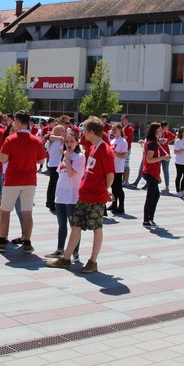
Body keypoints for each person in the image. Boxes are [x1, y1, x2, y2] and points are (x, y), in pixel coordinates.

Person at [46, 117, 113, 273]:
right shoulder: (92, 147)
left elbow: (110, 174)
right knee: (75, 226)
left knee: (97, 228)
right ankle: (66, 258)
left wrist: (106, 189)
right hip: (83, 194)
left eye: (84, 131)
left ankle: (92, 261)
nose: (83, 134)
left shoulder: (105, 149)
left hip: (96, 196)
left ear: (91, 132)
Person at [0, 110, 46, 254]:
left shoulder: (11, 139)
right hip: (30, 180)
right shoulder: (36, 140)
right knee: (27, 212)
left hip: (12, 180)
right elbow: (42, 160)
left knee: (5, 211)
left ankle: (1, 241)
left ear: (18, 122)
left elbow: (1, 160)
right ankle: (27, 242)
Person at [45, 129, 85, 261]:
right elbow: (60, 173)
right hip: (60, 195)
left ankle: (75, 252)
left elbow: (71, 173)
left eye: (72, 141)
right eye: (67, 141)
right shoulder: (64, 156)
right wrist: (66, 157)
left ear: (77, 142)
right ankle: (60, 249)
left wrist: (68, 158)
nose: (69, 143)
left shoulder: (79, 157)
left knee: (74, 226)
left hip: (72, 197)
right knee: (61, 224)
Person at [141, 122, 169, 228]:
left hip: (153, 172)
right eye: (160, 129)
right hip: (150, 172)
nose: (162, 131)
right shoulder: (152, 143)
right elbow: (149, 159)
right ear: (155, 131)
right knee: (151, 196)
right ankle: (146, 219)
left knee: (155, 196)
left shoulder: (154, 142)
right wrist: (162, 158)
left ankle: (150, 218)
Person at [44, 123, 65, 211]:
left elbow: (46, 145)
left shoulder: (51, 141)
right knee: (55, 185)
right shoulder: (59, 141)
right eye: (63, 131)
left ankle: (49, 202)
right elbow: (62, 151)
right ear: (60, 132)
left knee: (51, 184)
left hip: (51, 164)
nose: (64, 132)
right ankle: (52, 204)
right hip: (56, 165)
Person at [108, 122, 128, 214]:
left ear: (120, 130)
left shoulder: (123, 141)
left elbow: (124, 155)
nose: (113, 131)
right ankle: (114, 204)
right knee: (113, 187)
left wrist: (114, 152)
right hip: (112, 167)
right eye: (112, 129)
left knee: (118, 188)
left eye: (115, 129)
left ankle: (121, 206)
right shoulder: (112, 141)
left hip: (118, 168)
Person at [158, 121, 176, 194]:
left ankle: (167, 187)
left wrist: (168, 141)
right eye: (167, 126)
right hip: (158, 154)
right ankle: (155, 184)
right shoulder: (158, 133)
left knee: (166, 170)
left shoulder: (167, 133)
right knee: (157, 170)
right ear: (163, 127)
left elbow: (175, 137)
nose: (168, 128)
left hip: (166, 154)